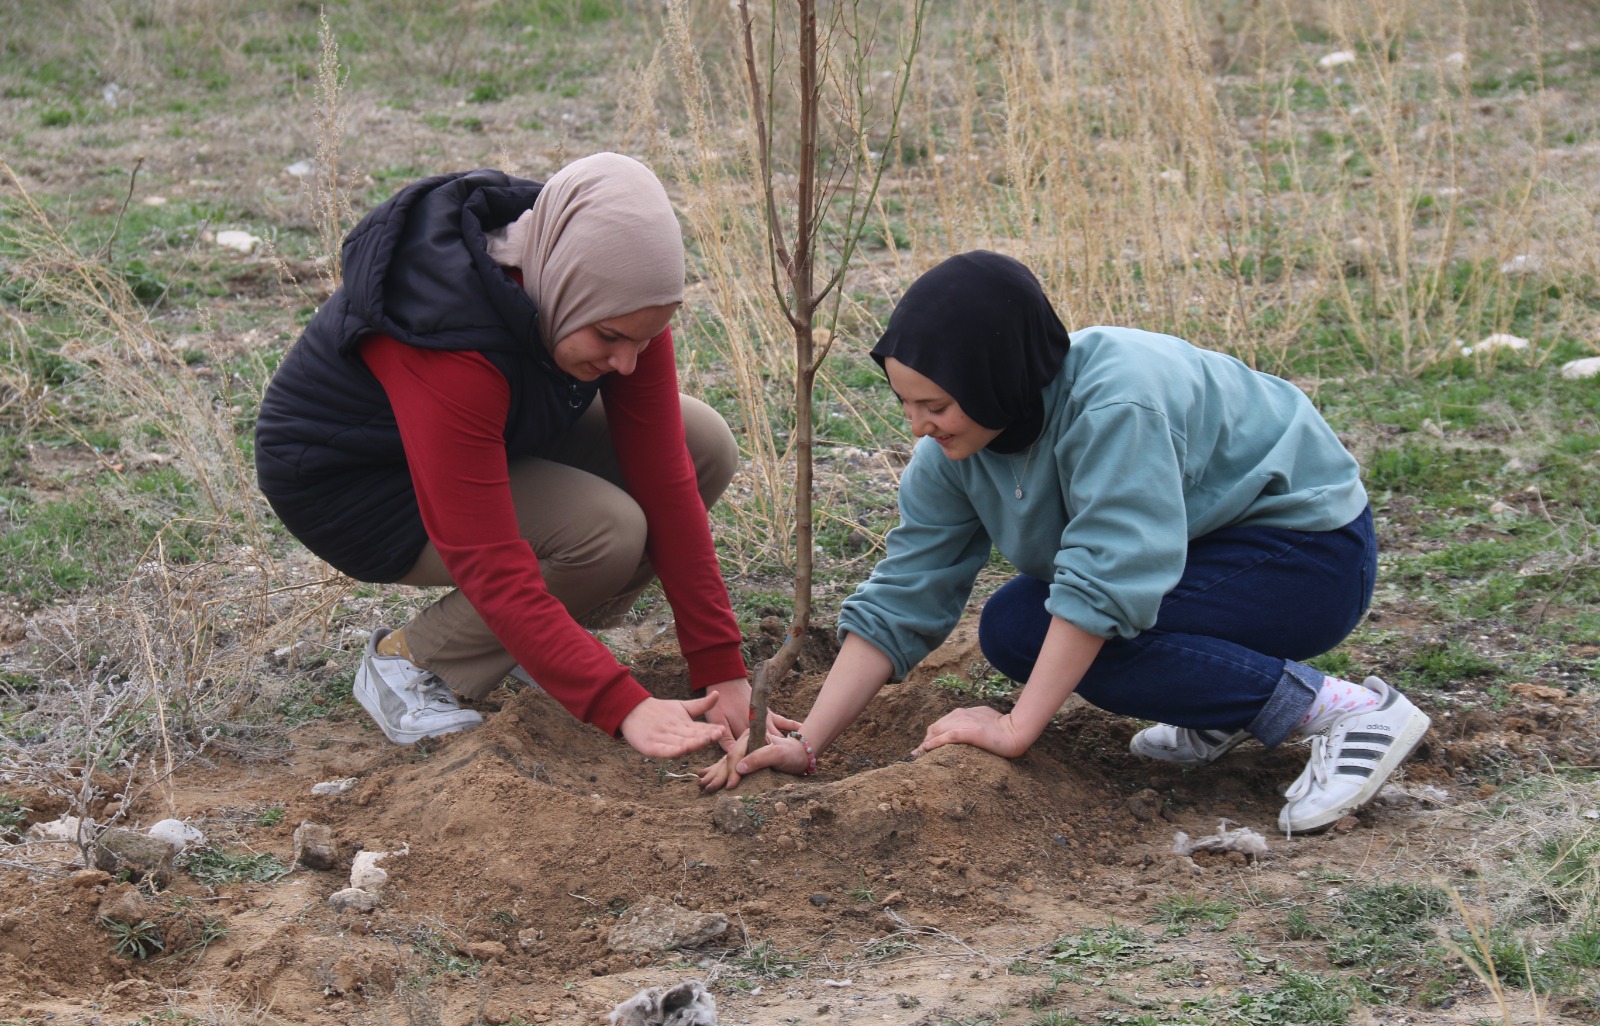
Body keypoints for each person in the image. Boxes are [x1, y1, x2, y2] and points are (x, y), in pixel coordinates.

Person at [700, 250, 1430, 834]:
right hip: (1202, 553)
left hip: (1307, 555)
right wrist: (809, 740)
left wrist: (1017, 726)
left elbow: (1109, 576)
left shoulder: (1115, 403)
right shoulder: (952, 456)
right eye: (905, 404)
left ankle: (1345, 712)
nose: (917, 426)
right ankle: (1222, 704)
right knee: (1017, 626)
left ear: (997, 379)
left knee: (1067, 636)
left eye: (937, 404)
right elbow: (905, 593)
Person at [256, 153, 769, 760]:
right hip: (356, 486)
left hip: (497, 432)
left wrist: (721, 668)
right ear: (566, 283)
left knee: (701, 443)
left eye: (646, 338)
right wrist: (620, 704)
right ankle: (411, 665)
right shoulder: (449, 337)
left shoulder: (613, 296)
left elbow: (665, 473)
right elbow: (490, 559)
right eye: (611, 339)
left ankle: (539, 646)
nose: (628, 362)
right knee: (605, 531)